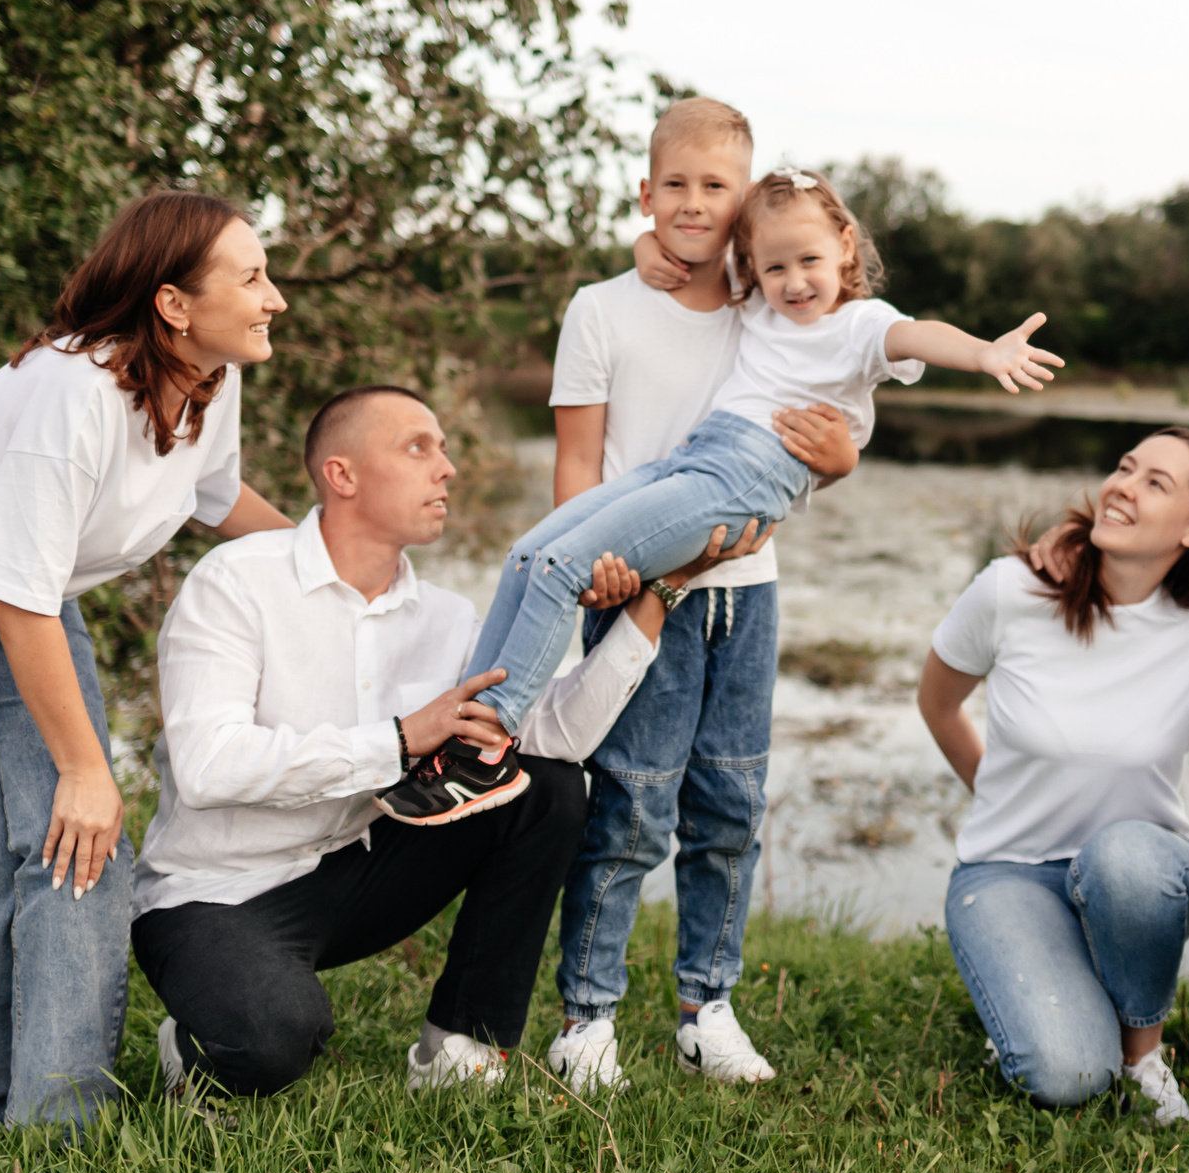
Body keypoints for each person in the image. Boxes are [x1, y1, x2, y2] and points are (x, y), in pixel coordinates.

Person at [0, 190, 297, 1139]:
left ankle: (57, 1136)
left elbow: (217, 498)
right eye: (252, 277)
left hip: (22, 597)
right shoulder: (77, 392)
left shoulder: (210, 376)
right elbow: (18, 595)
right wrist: (83, 768)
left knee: (82, 852)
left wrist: (335, 563)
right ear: (173, 304)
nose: (273, 297)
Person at [129, 386, 767, 1095]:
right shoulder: (236, 582)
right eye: (417, 447)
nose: (447, 468)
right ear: (342, 475)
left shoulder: (448, 617)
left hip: (357, 870)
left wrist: (656, 597)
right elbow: (208, 767)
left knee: (546, 787)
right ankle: (195, 1038)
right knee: (272, 1038)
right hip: (213, 893)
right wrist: (403, 738)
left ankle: (460, 1049)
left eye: (443, 448)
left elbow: (555, 735)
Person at [388, 168, 1061, 823]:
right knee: (529, 554)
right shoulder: (761, 305)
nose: (794, 281)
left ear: (845, 246)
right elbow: (695, 253)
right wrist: (644, 244)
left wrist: (985, 354)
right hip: (696, 455)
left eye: (809, 260)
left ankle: (489, 745)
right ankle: (456, 735)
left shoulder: (858, 324)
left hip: (749, 473)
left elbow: (917, 334)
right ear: (755, 269)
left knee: (564, 568)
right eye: (775, 267)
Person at [546, 98, 860, 1092]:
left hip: (747, 592)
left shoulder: (767, 304)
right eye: (673, 185)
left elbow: (816, 434)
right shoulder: (603, 308)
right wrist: (587, 563)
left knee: (731, 803)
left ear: (745, 200)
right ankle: (587, 1017)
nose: (692, 203)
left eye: (714, 186)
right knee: (631, 805)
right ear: (645, 193)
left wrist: (843, 461)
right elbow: (576, 461)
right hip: (637, 590)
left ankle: (704, 1008)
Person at [917, 428, 1189, 1119]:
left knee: (1121, 857)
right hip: (1008, 871)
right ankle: (1048, 1005)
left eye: (1156, 482)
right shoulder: (1012, 589)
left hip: (1146, 875)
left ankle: (1141, 1058)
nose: (1123, 485)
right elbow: (938, 703)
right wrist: (997, 795)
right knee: (1067, 1073)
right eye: (1125, 467)